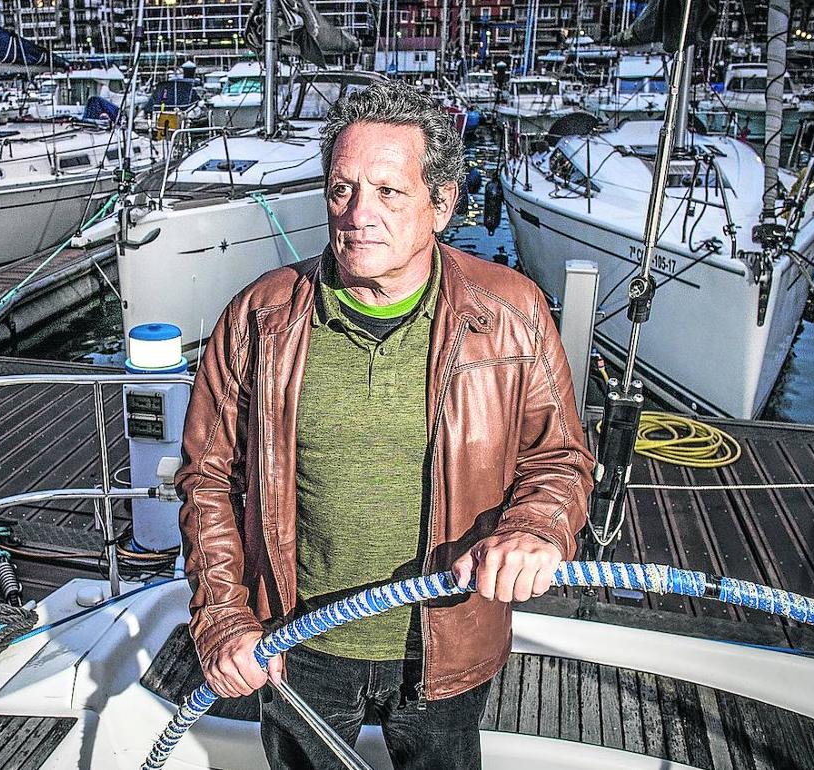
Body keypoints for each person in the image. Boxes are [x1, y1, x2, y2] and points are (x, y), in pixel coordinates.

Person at [175, 81, 595, 770]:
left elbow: (560, 460)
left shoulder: (513, 310)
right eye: (342, 189)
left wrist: (535, 527)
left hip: (450, 642)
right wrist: (222, 614)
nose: (358, 214)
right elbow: (207, 480)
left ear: (444, 202)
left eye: (389, 192)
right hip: (296, 642)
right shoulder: (259, 317)